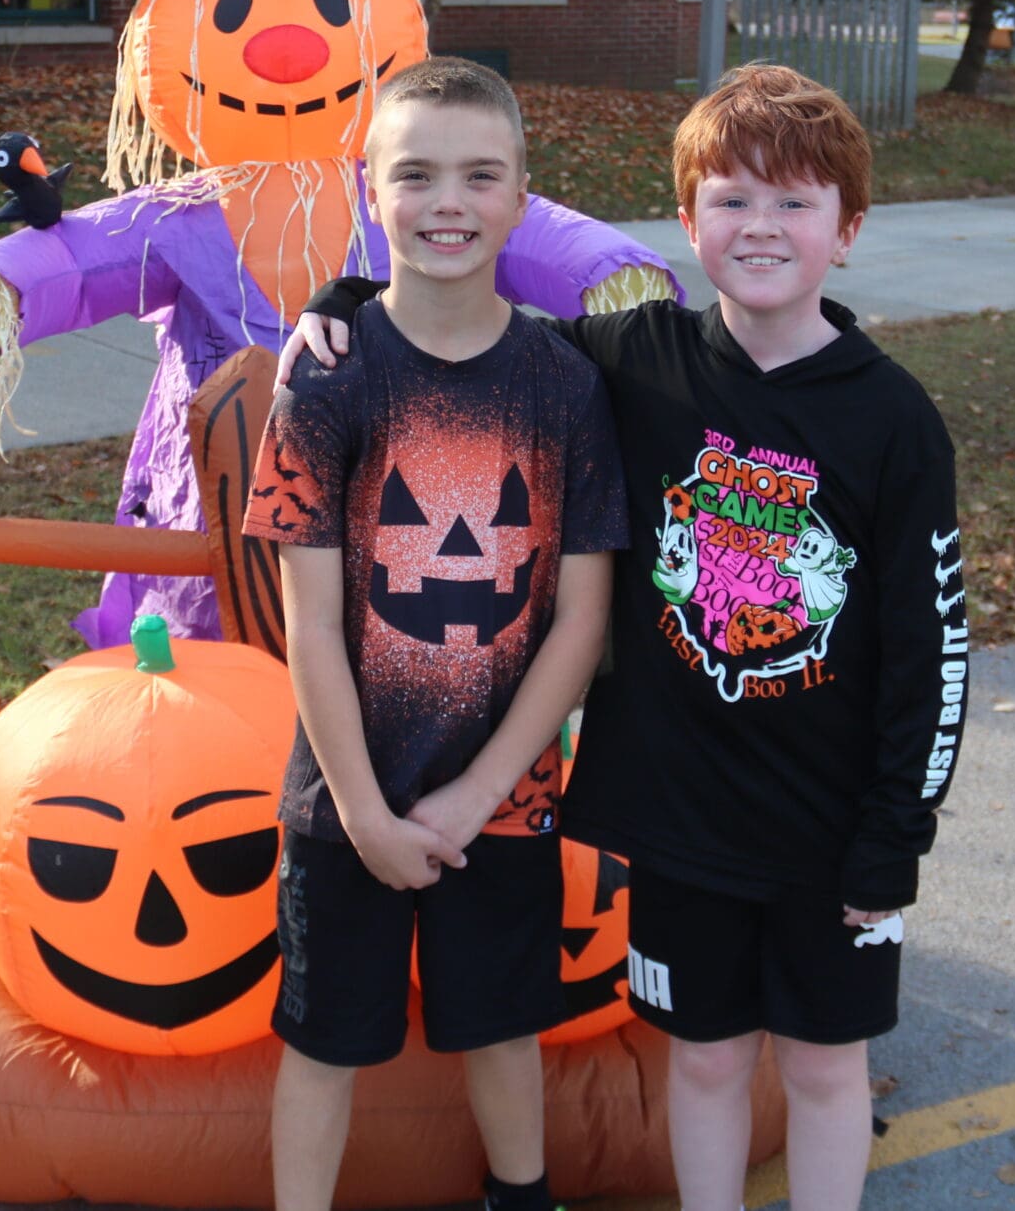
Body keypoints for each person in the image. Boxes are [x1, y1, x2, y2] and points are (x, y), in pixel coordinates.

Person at [282, 64, 968, 1211]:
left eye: (794, 202)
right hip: (679, 817)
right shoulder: (634, 359)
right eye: (731, 199)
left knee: (821, 1067)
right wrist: (348, 297)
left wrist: (897, 830)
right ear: (688, 221)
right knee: (702, 1060)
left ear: (845, 231)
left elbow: (932, 648)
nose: (760, 226)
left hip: (832, 822)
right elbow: (464, 327)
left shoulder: (892, 418)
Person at [243, 56, 628, 1211]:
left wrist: (475, 795)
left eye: (479, 175)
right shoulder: (325, 384)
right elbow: (310, 624)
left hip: (502, 796)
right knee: (323, 1040)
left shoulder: (565, 387)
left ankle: (522, 1196)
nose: (446, 202)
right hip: (341, 794)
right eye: (414, 175)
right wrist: (364, 813)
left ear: (520, 197)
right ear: (372, 193)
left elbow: (581, 620)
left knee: (502, 1029)